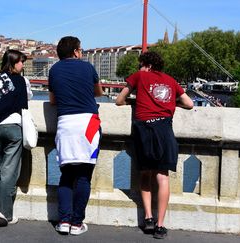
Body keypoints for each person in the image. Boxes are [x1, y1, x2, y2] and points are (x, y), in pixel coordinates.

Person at [115, 51, 193, 239]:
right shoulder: (171, 80)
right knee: (162, 177)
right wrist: (172, 104)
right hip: (165, 129)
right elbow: (189, 104)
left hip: (144, 129)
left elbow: (119, 101)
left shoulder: (139, 76)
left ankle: (148, 218)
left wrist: (135, 99)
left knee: (145, 175)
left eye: (140, 65)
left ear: (147, 65)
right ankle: (160, 225)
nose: (139, 68)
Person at [49, 36, 103, 235]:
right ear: (76, 51)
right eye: (81, 49)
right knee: (83, 176)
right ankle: (77, 223)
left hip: (65, 124)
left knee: (66, 174)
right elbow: (99, 92)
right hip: (88, 124)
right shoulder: (87, 68)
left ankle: (63, 221)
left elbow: (53, 100)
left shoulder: (54, 70)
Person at [0, 49, 33, 227]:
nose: (23, 65)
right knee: (9, 172)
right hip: (12, 128)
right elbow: (26, 100)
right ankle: (6, 214)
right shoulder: (22, 80)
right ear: (13, 62)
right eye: (21, 62)